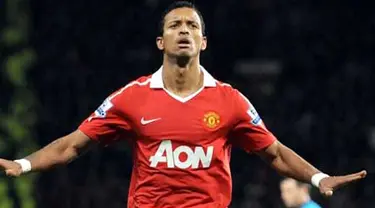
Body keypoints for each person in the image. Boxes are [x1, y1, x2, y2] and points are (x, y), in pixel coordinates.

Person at [0, 1, 366, 208]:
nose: (184, 30)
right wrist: (23, 164)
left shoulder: (230, 101)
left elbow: (274, 153)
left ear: (203, 41)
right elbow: (71, 145)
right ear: (161, 41)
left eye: (192, 25)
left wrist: (318, 177)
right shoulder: (131, 97)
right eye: (175, 25)